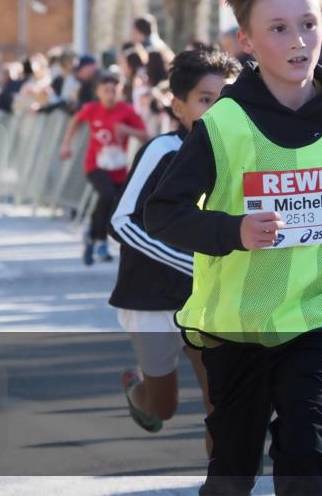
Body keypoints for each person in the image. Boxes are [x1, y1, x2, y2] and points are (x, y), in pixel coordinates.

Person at [144, 0, 322, 496]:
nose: (298, 40)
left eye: (308, 24)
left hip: (318, 307)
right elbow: (163, 212)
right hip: (240, 319)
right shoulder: (225, 123)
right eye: (279, 28)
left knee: (309, 449)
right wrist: (234, 231)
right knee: (234, 467)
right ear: (247, 41)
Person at [109, 46, 241, 453]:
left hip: (209, 302)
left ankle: (224, 480)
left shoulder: (242, 156)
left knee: (222, 402)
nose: (218, 110)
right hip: (151, 298)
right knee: (161, 408)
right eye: (206, 99)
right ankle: (138, 391)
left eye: (227, 99)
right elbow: (121, 221)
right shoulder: (162, 151)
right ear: (178, 105)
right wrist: (192, 262)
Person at [59, 72, 148, 265]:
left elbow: (145, 135)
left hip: (118, 169)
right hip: (95, 166)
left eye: (113, 90)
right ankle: (100, 241)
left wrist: (127, 130)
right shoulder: (91, 109)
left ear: (119, 91)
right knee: (107, 195)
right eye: (106, 90)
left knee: (112, 203)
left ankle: (92, 234)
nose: (110, 94)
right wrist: (66, 145)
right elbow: (75, 121)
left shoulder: (127, 111)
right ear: (98, 92)